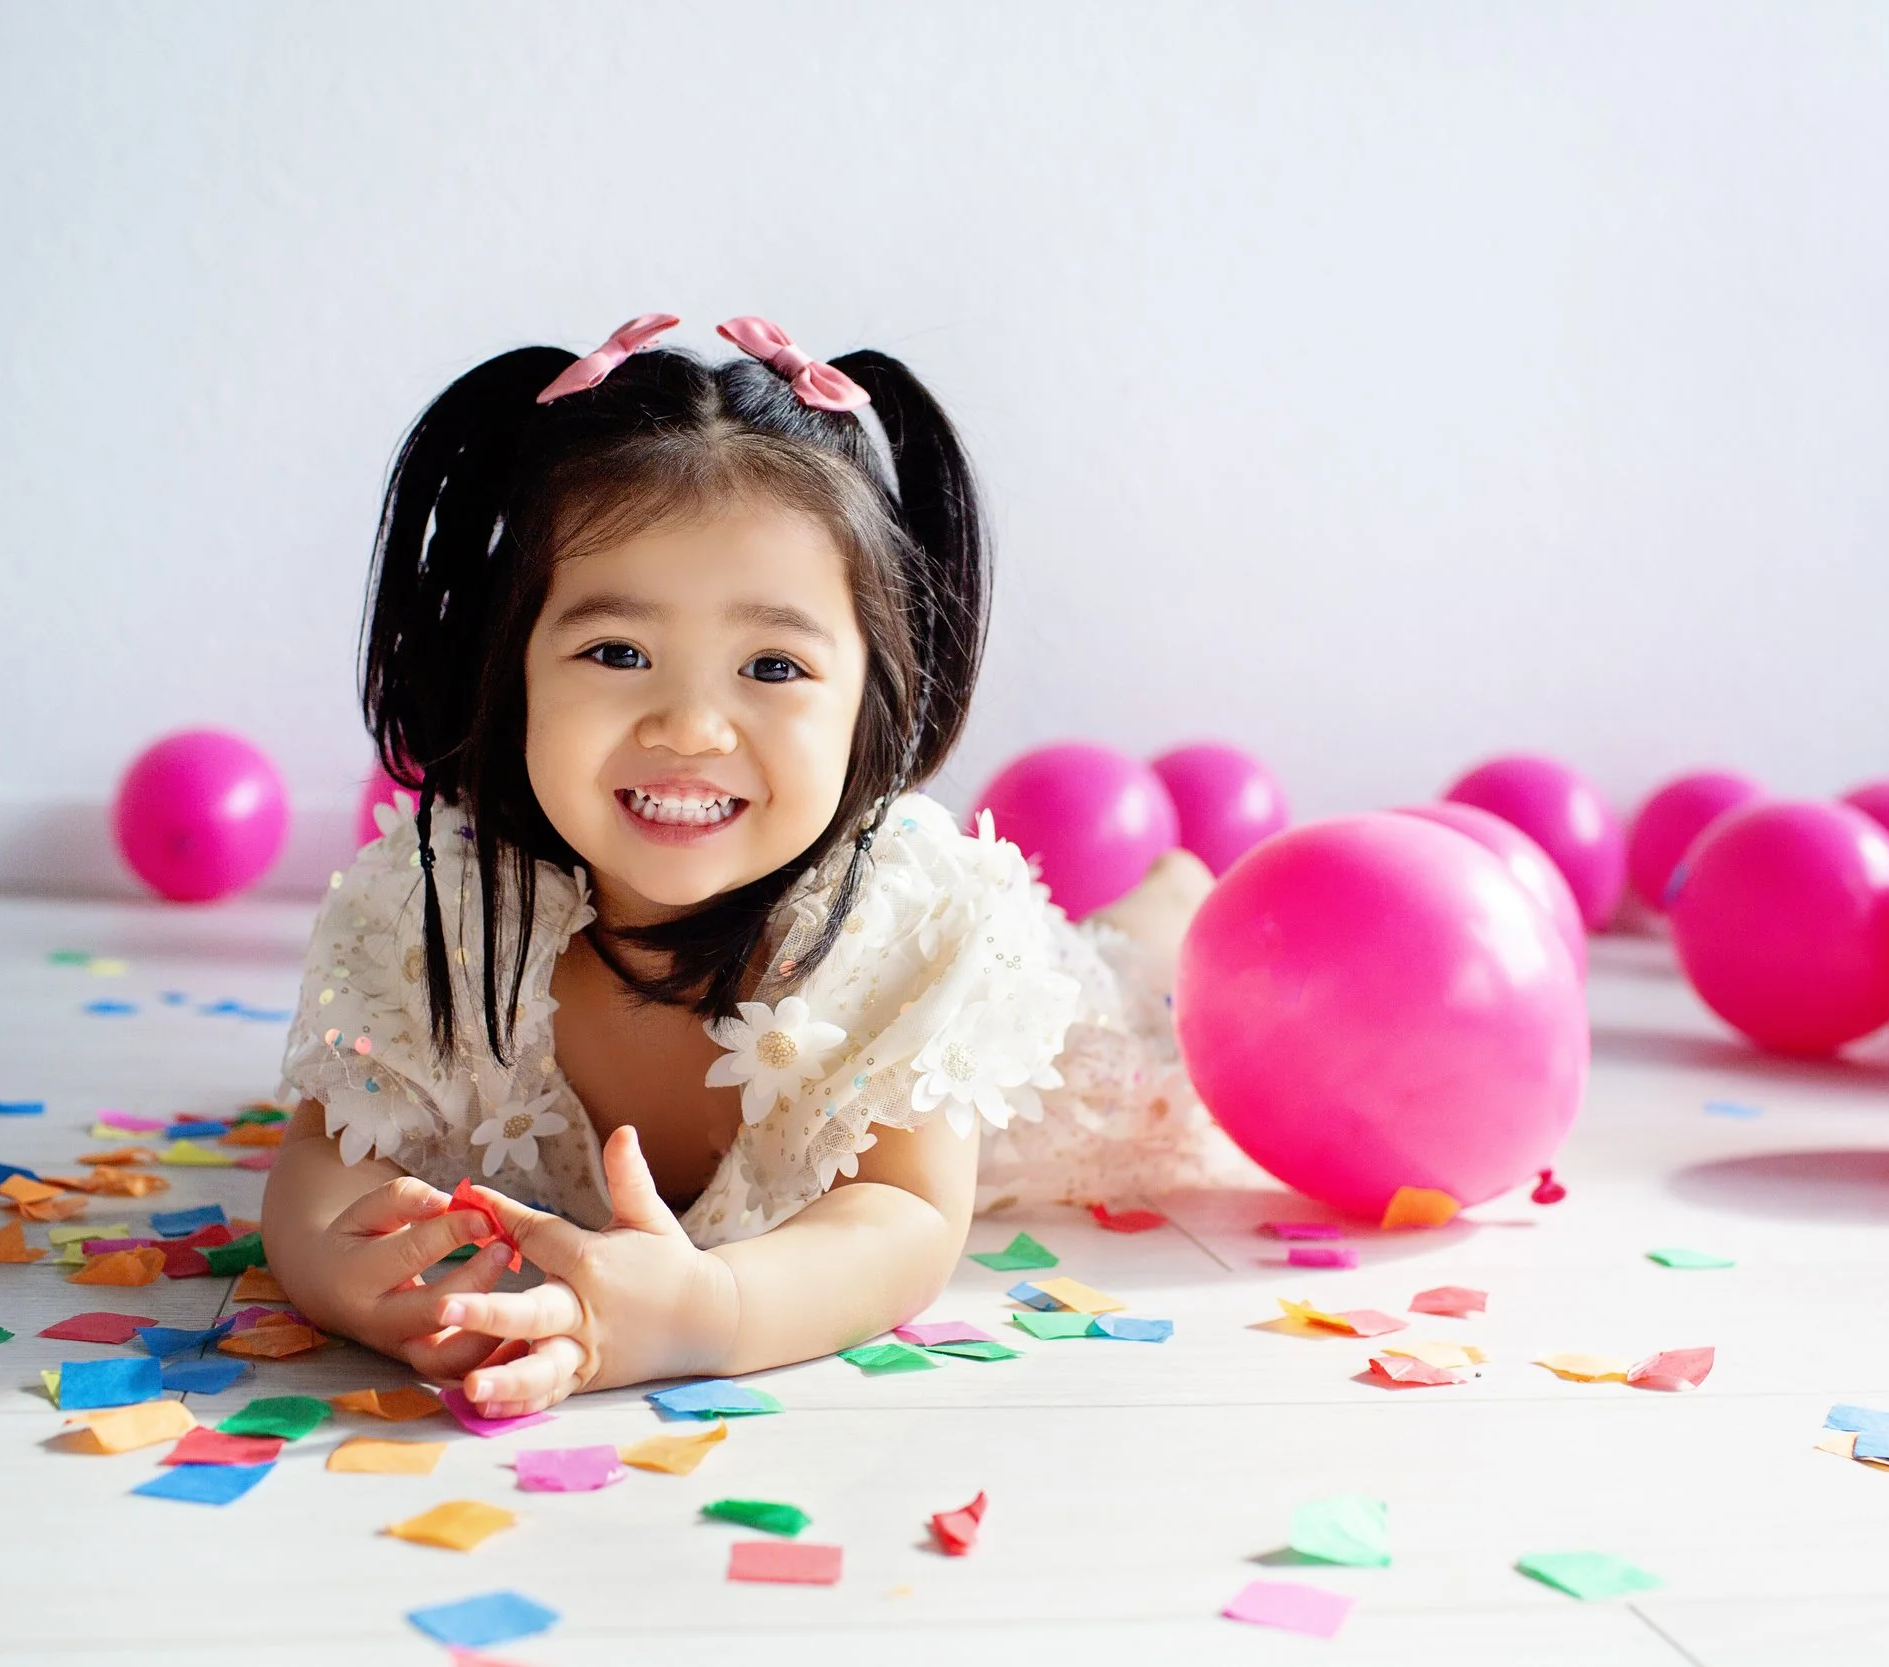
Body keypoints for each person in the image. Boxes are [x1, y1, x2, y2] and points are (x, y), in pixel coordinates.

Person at [263, 313, 1236, 1420]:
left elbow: (902, 1216)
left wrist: (710, 1307)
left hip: (1037, 1061)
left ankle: (1170, 895)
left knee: (1141, 986)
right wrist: (343, 1271)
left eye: (771, 664)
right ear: (511, 667)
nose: (689, 726)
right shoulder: (438, 907)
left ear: (873, 691)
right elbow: (323, 1155)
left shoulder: (911, 933)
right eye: (616, 652)